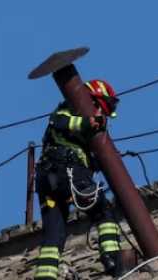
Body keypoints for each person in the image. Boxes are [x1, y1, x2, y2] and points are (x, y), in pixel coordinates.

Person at [33, 79, 123, 279]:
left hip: (47, 180)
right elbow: (62, 122)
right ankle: (112, 259)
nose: (102, 115)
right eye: (102, 109)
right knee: (103, 210)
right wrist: (86, 123)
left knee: (54, 233)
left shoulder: (79, 131)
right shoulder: (68, 110)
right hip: (68, 172)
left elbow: (90, 158)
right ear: (93, 101)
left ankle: (44, 276)